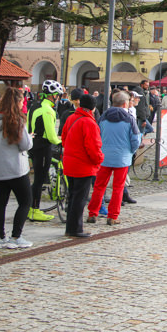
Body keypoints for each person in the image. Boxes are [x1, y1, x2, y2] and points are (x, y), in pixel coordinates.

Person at [0, 87, 34, 249]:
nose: (22, 104)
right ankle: (15, 237)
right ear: (17, 102)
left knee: (0, 202)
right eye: (21, 101)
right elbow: (25, 145)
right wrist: (29, 137)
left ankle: (0, 237)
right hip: (14, 168)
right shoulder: (17, 121)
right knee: (25, 201)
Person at [86, 91, 141, 226]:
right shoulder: (129, 119)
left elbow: (97, 134)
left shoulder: (103, 117)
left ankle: (92, 213)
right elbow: (135, 139)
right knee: (118, 188)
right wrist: (130, 152)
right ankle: (112, 216)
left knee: (99, 186)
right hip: (122, 157)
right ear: (124, 103)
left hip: (104, 156)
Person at [60, 94, 104, 237]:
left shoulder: (71, 118)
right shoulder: (89, 123)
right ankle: (75, 229)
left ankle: (70, 227)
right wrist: (99, 159)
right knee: (80, 199)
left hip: (70, 162)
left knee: (72, 196)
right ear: (93, 108)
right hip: (83, 165)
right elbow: (93, 147)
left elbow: (64, 138)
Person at [27, 79, 64, 222]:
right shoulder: (48, 110)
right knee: (39, 180)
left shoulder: (34, 106)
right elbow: (51, 136)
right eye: (58, 95)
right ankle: (34, 210)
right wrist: (61, 141)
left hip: (32, 145)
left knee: (37, 178)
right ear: (53, 95)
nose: (58, 98)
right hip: (43, 147)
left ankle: (30, 208)